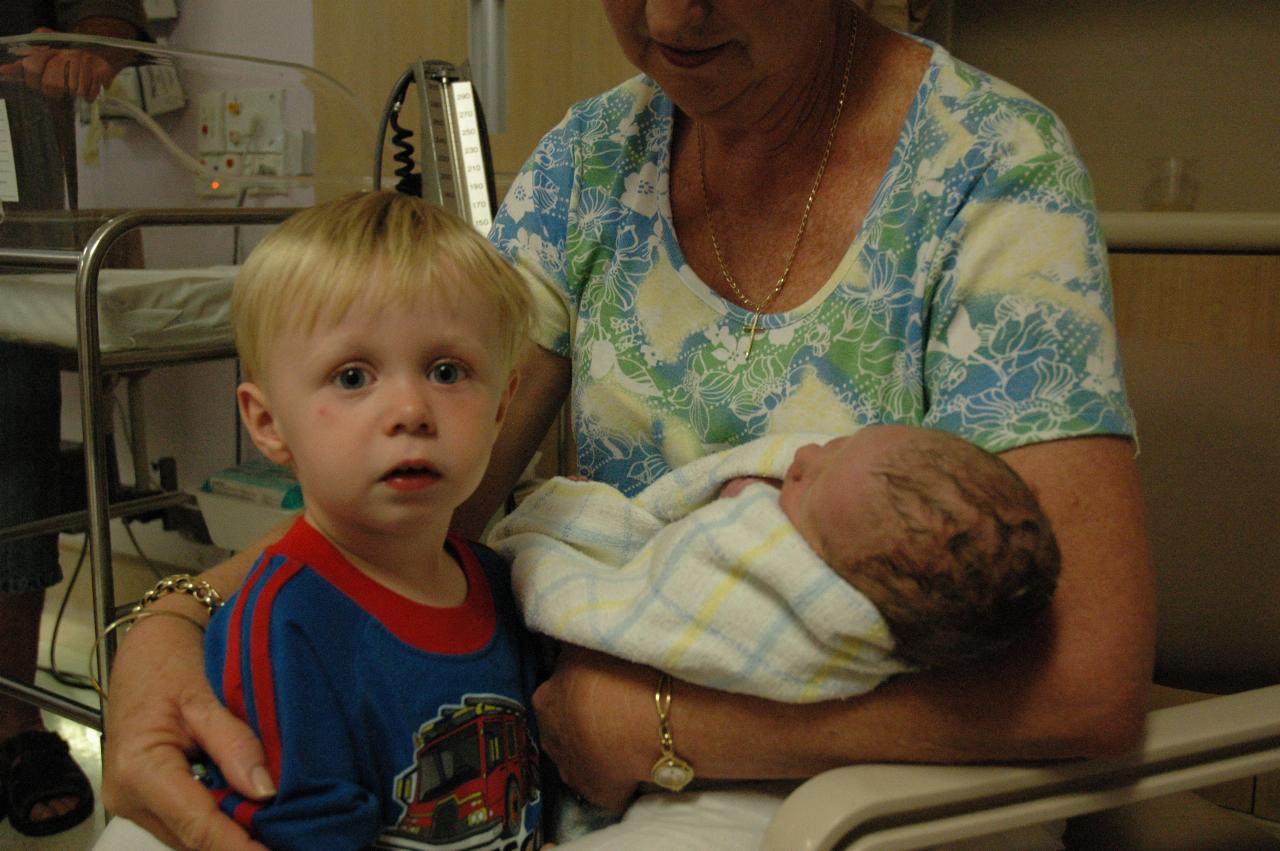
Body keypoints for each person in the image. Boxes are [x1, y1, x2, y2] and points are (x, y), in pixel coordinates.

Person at [100, 2, 1155, 849]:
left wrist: (657, 728)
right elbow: (417, 472)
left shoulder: (988, 167)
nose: (667, 17)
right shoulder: (593, 160)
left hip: (851, 776)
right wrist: (174, 619)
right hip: (582, 749)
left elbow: (1087, 687)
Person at [184, 191, 541, 850]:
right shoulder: (283, 625)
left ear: (502, 406)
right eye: (352, 377)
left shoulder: (502, 583)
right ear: (267, 422)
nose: (410, 408)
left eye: (446, 370)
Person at [491, 426, 1060, 704]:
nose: (803, 455)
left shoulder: (830, 612)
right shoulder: (867, 519)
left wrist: (742, 514)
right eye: (837, 443)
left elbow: (668, 590)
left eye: (802, 483)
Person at [0, 0, 147, 839]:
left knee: (15, 423)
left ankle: (15, 721)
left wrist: (91, 43)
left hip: (15, 194)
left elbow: (111, 16)